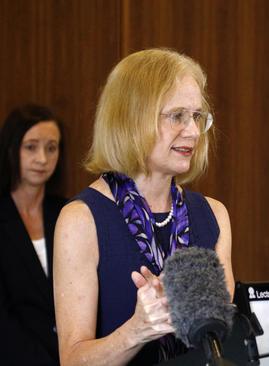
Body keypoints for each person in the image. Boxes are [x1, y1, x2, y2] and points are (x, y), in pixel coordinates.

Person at [53, 48, 234, 365]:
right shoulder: (81, 220)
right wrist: (137, 330)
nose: (192, 131)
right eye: (177, 116)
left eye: (197, 116)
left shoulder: (213, 215)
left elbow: (226, 343)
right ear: (132, 118)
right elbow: (72, 359)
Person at [0, 104, 65, 365]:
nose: (42, 159)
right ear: (11, 149)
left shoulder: (67, 212)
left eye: (51, 148)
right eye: (31, 147)